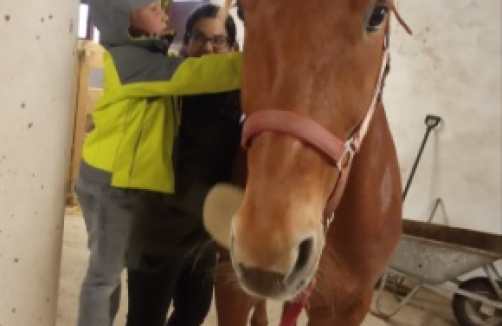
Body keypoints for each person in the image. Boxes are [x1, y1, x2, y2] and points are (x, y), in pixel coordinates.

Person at [74, 0, 241, 325]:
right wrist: (266, 58)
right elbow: (195, 75)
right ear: (125, 22)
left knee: (113, 277)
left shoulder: (152, 55)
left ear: (231, 44)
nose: (163, 14)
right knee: (104, 278)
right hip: (114, 185)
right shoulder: (133, 62)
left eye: (218, 40)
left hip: (135, 188)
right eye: (152, 9)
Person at [124, 4, 242, 326]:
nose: (207, 47)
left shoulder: (238, 99)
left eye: (218, 41)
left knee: (193, 312)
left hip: (202, 236)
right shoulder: (168, 91)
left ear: (233, 48)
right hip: (158, 231)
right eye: (199, 38)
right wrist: (218, 205)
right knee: (145, 320)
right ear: (185, 42)